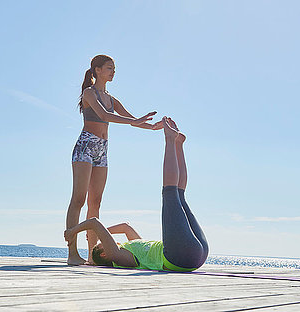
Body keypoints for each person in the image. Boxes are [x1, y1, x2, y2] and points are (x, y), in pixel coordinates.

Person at [64, 117, 208, 272]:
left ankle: (178, 144)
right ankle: (170, 140)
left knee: (179, 195)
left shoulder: (136, 247)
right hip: (179, 255)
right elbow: (93, 222)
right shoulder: (117, 256)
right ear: (105, 254)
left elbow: (126, 227)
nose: (112, 241)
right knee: (170, 193)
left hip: (197, 254)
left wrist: (101, 233)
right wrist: (72, 231)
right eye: (103, 243)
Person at [66, 54, 162, 265]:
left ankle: (92, 254)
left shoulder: (112, 98)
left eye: (114, 68)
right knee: (79, 199)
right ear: (97, 70)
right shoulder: (89, 93)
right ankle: (72, 253)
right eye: (109, 68)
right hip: (86, 146)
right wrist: (134, 120)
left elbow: (132, 121)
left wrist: (154, 127)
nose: (113, 71)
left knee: (96, 202)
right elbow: (104, 116)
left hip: (102, 150)